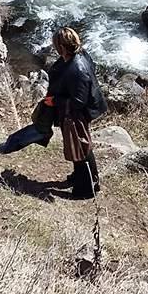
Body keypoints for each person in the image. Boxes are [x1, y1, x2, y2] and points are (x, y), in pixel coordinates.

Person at [47, 27, 107, 199]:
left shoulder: (76, 69)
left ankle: (87, 188)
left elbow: (78, 102)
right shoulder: (80, 56)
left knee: (81, 146)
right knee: (80, 145)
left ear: (62, 47)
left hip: (79, 112)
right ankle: (81, 178)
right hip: (81, 109)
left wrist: (55, 101)